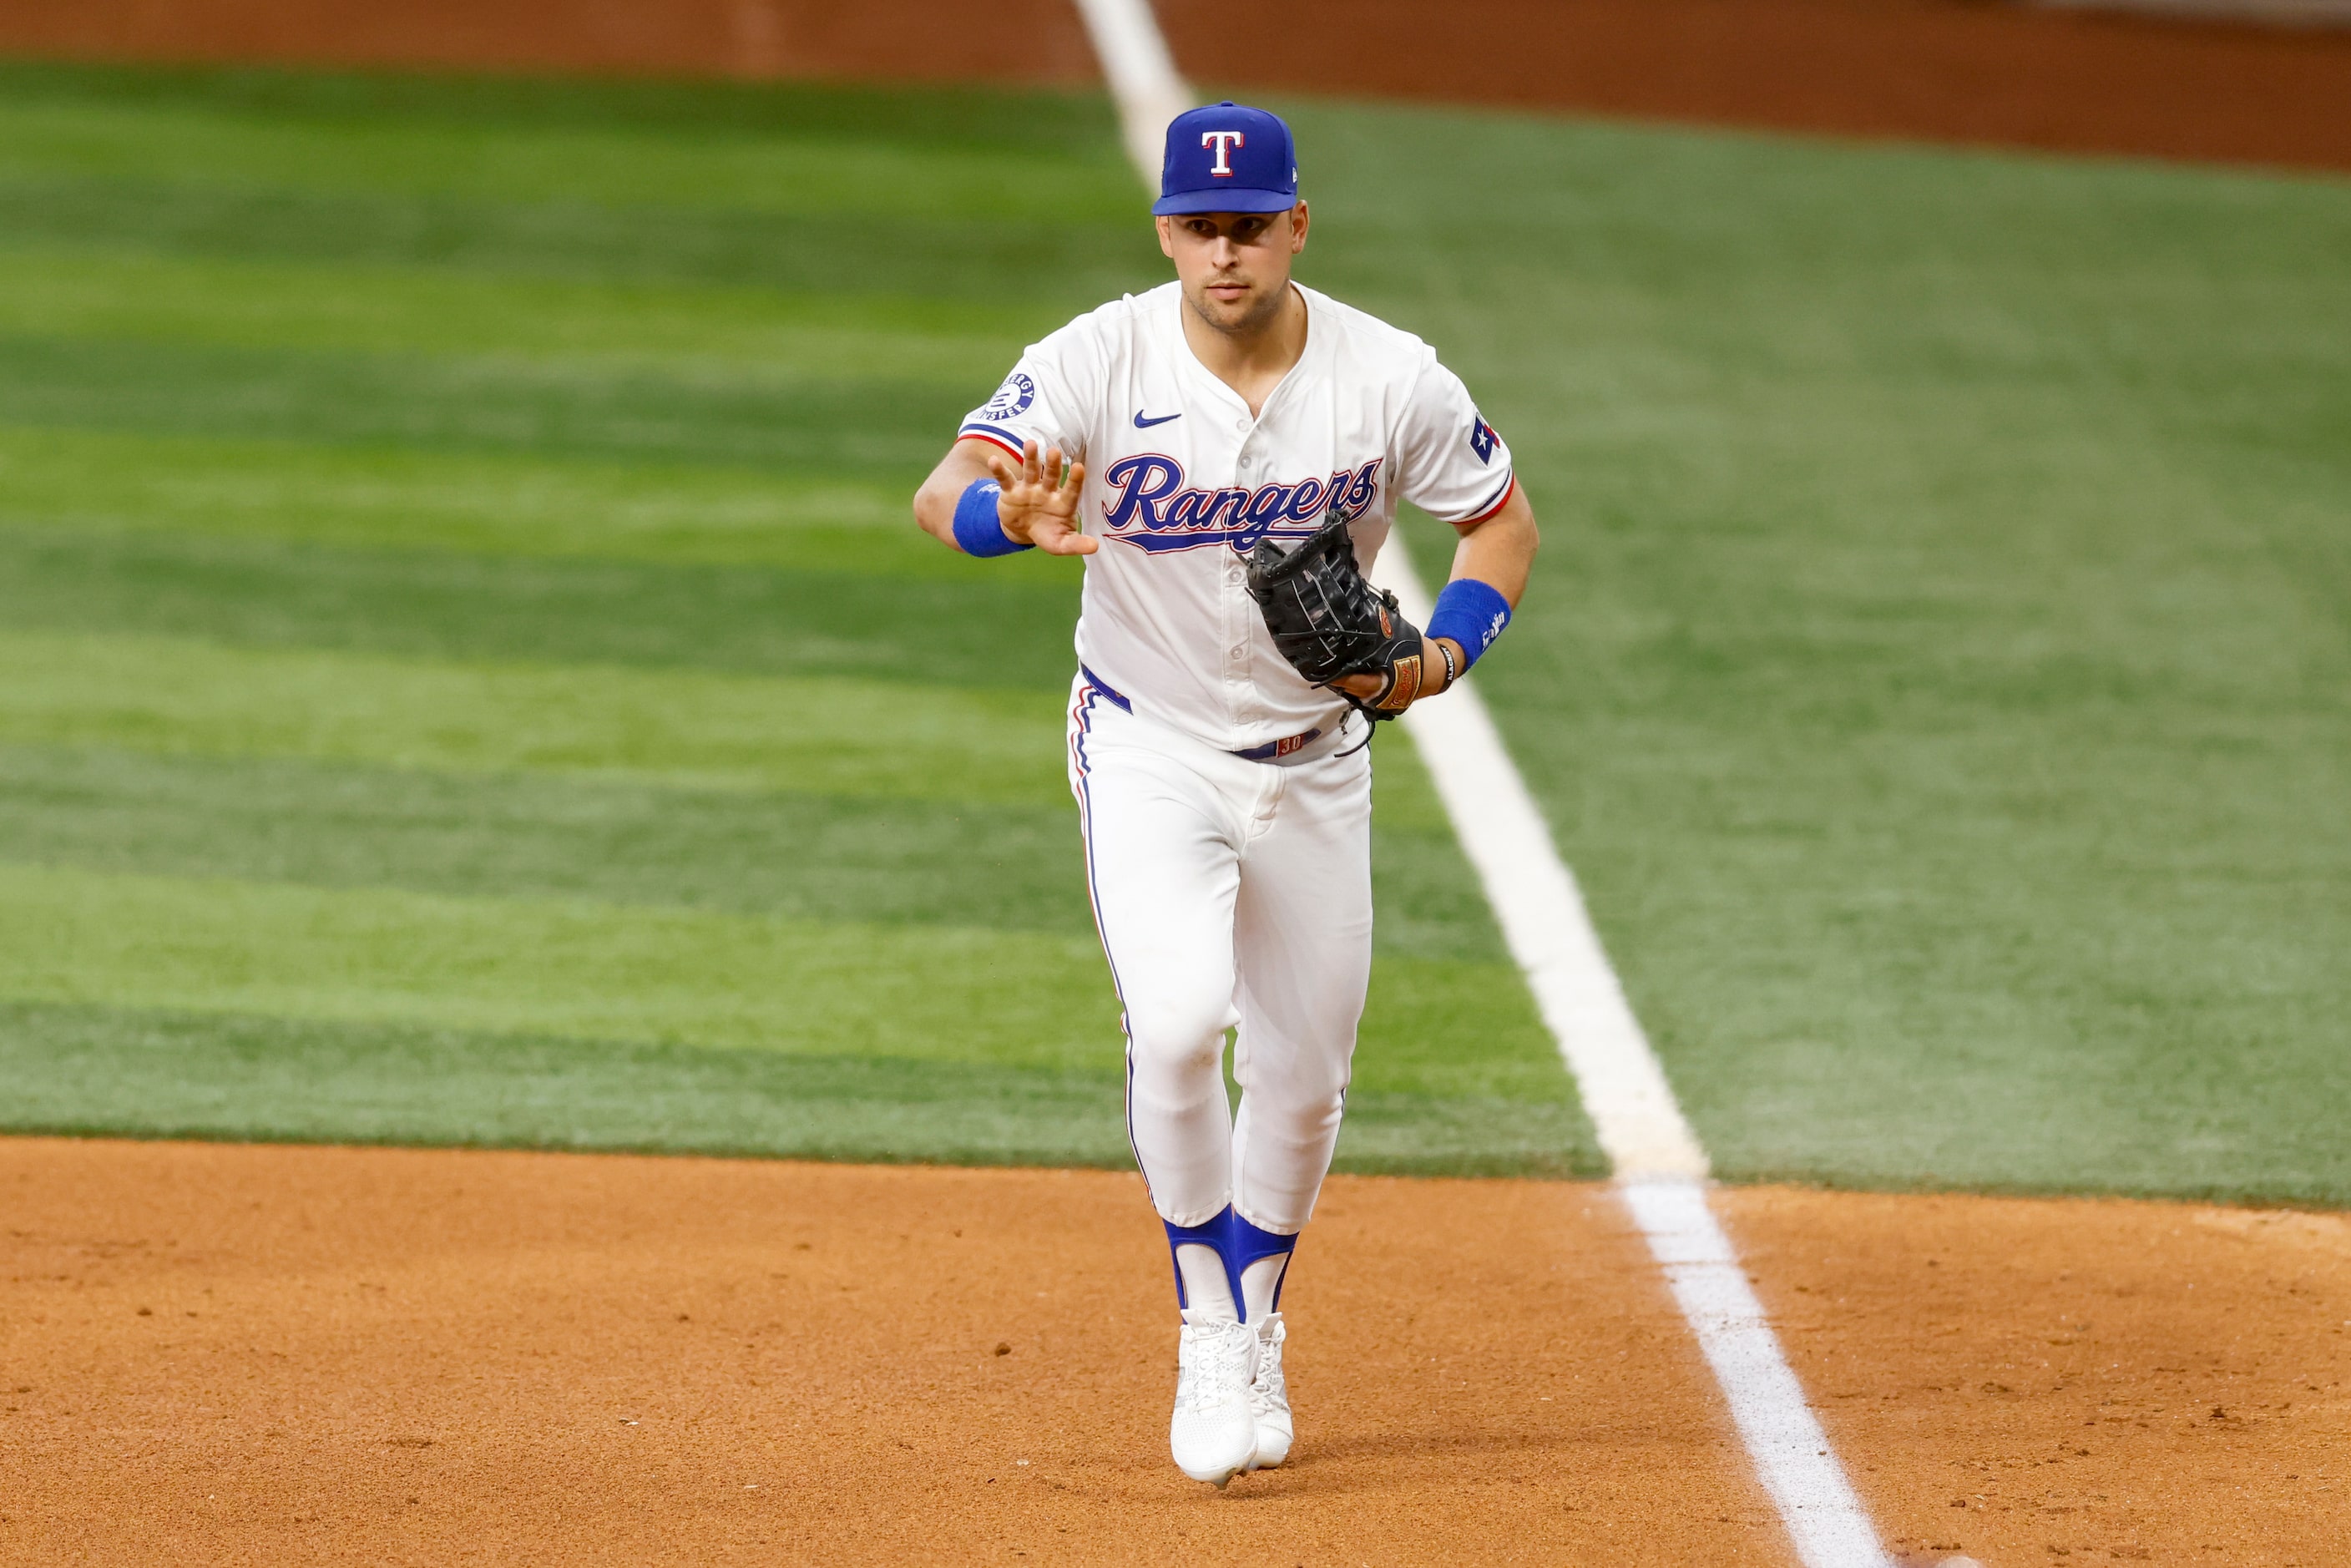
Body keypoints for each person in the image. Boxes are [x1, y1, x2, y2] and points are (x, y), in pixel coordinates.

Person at [912, 101, 1537, 1488]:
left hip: (1319, 759)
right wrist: (1001, 518)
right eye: (1199, 230)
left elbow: (1499, 517)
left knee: (1306, 1081)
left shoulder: (1391, 376)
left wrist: (1441, 657)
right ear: (1166, 236)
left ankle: (1262, 1308)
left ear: (1296, 223)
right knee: (1184, 1020)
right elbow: (943, 485)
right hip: (1148, 746)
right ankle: (1209, 1321)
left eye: (1250, 225)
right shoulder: (1098, 354)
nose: (1225, 253)